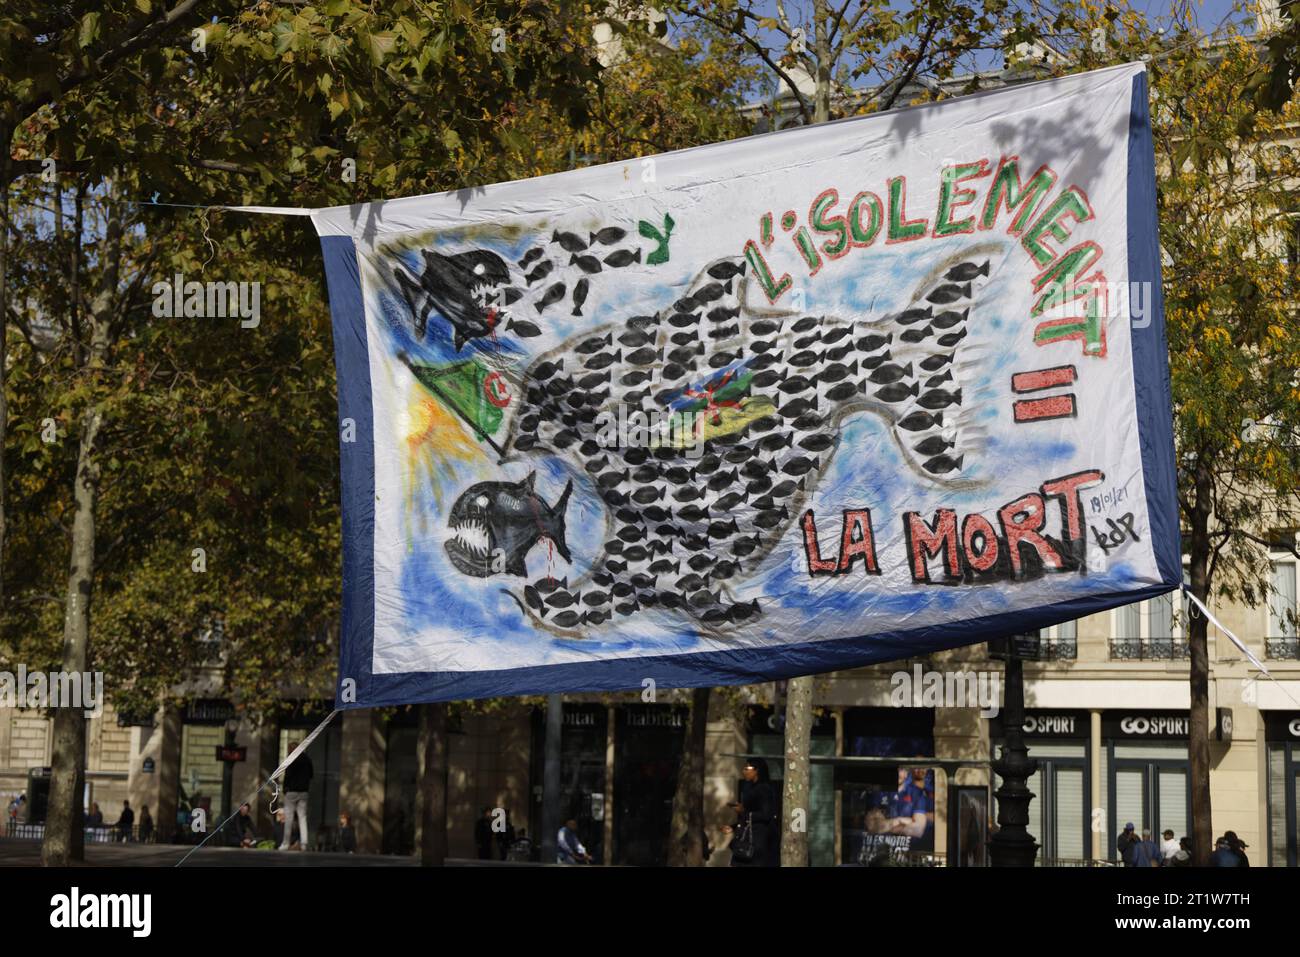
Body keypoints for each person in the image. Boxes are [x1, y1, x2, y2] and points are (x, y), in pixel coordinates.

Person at [726, 756, 776, 867]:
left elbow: (766, 814)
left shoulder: (764, 789)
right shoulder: (750, 787)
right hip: (747, 838)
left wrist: (743, 811)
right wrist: (734, 827)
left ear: (757, 770)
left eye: (747, 768)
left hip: (757, 843)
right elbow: (750, 813)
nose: (744, 771)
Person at [278, 753, 313, 851]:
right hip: (303, 791)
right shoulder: (307, 759)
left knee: (289, 818)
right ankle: (304, 844)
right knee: (302, 818)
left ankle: (285, 843)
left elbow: (287, 775)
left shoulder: (291, 759)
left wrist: (285, 789)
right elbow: (311, 775)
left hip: (292, 791)